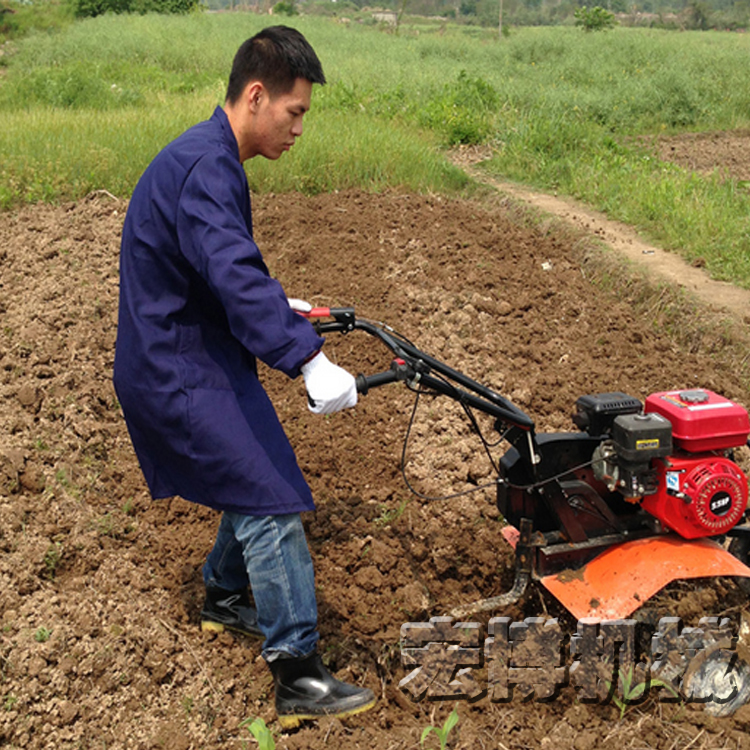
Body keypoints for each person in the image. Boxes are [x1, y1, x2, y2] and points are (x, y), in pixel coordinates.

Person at [113, 25, 376, 729]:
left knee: (259, 469)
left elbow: (215, 266)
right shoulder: (208, 167)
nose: (299, 129)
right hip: (177, 369)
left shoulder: (208, 158)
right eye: (295, 112)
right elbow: (230, 269)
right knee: (268, 498)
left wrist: (277, 308)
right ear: (256, 95)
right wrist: (309, 359)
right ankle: (297, 674)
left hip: (192, 353)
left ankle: (225, 596)